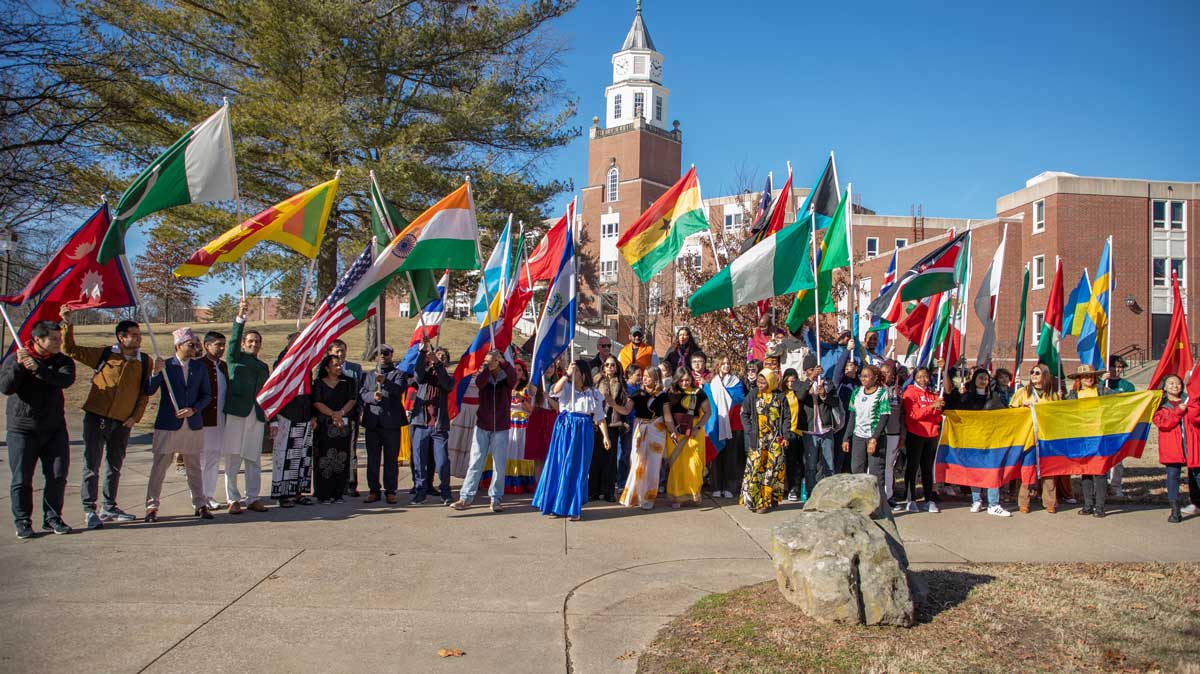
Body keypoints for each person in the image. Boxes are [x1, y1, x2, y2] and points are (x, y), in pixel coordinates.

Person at [59, 307, 150, 529]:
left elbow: (144, 394)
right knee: (92, 465)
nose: (138, 338)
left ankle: (109, 506)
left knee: (114, 465)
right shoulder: (105, 354)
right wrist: (67, 324)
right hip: (96, 417)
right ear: (122, 337)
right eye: (134, 334)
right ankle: (89, 508)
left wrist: (134, 418)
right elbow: (69, 349)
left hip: (123, 421)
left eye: (139, 335)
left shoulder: (144, 361)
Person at [2, 320, 75, 539]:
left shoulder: (62, 361)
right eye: (53, 339)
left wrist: (39, 369)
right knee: (22, 478)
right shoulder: (15, 358)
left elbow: (64, 380)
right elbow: (6, 387)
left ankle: (52, 517)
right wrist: (18, 366)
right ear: (37, 340)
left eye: (59, 338)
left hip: (54, 429)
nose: (58, 342)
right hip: (22, 429)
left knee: (57, 475)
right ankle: (23, 521)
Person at [144, 328, 213, 523]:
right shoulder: (165, 366)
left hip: (192, 423)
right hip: (168, 424)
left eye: (195, 344)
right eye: (191, 345)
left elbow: (206, 395)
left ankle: (200, 504)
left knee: (193, 467)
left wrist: (194, 409)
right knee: (159, 467)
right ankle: (151, 506)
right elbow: (149, 390)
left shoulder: (199, 368)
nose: (194, 348)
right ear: (178, 346)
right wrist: (155, 372)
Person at [533, 359, 609, 520]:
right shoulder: (566, 388)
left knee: (578, 468)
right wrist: (566, 374)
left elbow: (600, 417)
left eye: (576, 371)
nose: (574, 374)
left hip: (583, 430)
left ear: (583, 373)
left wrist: (605, 436)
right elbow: (553, 391)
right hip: (565, 429)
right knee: (560, 465)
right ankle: (555, 506)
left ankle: (574, 508)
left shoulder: (593, 393)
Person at [453, 349, 517, 512]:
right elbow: (480, 383)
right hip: (483, 425)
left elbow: (513, 379)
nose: (492, 362)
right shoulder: (484, 375)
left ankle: (496, 499)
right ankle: (465, 497)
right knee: (475, 462)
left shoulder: (506, 376)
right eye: (490, 360)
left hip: (501, 426)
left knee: (499, 465)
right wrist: (487, 367)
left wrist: (502, 362)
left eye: (495, 360)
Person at [222, 300, 271, 514]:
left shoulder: (262, 367)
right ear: (244, 343)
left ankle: (253, 497)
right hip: (236, 414)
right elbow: (232, 341)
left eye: (257, 342)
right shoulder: (234, 359)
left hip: (256, 416)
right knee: (233, 458)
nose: (254, 345)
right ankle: (233, 499)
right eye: (250, 341)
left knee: (253, 459)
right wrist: (240, 318)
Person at [944, 368, 1010, 516]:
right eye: (980, 378)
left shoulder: (994, 398)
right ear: (974, 380)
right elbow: (952, 403)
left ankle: (993, 503)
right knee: (975, 470)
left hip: (991, 441)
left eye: (986, 378)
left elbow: (1005, 415)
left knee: (992, 470)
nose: (983, 381)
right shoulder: (966, 398)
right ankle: (976, 500)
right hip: (973, 440)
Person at [270, 333, 314, 507]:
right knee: (285, 457)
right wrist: (273, 419)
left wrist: (312, 415)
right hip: (286, 416)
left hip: (304, 416)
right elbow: (273, 393)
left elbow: (309, 393)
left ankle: (298, 492)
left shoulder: (306, 367)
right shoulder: (281, 365)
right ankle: (283, 494)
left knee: (302, 457)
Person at [360, 344, 408, 504]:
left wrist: (385, 381)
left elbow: (399, 389)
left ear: (391, 355)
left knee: (391, 459)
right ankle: (374, 490)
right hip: (373, 422)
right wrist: (372, 396)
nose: (382, 356)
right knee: (373, 459)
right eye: (379, 354)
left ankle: (391, 490)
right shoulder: (368, 375)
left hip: (391, 423)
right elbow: (363, 393)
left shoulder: (398, 374)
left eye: (386, 353)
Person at [1010, 362, 1061, 514]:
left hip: (1047, 437)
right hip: (1028, 437)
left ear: (1045, 375)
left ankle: (1050, 502)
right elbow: (1011, 411)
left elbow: (1058, 415)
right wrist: (1021, 409)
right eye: (1032, 372)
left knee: (1048, 469)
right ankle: (1024, 502)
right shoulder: (1023, 392)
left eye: (1037, 373)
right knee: (1027, 468)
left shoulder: (1052, 395)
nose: (1033, 375)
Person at [795, 352, 847, 499]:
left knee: (829, 464)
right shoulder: (801, 384)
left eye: (815, 369)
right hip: (810, 431)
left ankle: (829, 494)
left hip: (826, 430)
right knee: (811, 465)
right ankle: (811, 494)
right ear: (806, 371)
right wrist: (810, 380)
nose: (814, 372)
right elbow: (800, 396)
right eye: (810, 370)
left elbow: (835, 402)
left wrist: (824, 395)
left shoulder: (828, 384)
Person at [1152, 375, 1200, 523]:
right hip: (1172, 448)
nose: (1175, 386)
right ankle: (1175, 510)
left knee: (1197, 476)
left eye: (1178, 383)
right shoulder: (1160, 404)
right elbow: (1163, 423)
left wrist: (1192, 408)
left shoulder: (1190, 400)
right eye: (1171, 383)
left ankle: (1197, 504)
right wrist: (1178, 411)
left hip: (1192, 445)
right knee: (1173, 477)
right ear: (1164, 387)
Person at [842, 364, 891, 509]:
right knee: (857, 470)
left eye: (866, 376)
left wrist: (874, 439)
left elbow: (884, 417)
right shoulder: (856, 392)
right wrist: (846, 437)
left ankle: (881, 507)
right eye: (861, 376)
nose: (863, 379)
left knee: (876, 475)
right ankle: (860, 505)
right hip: (858, 436)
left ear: (875, 378)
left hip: (875, 437)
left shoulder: (882, 393)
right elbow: (852, 416)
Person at [901, 367, 949, 514]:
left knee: (927, 469)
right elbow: (913, 415)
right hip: (915, 433)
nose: (923, 379)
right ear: (914, 377)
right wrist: (931, 408)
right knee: (913, 467)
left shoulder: (932, 394)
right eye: (920, 376)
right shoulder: (910, 393)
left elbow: (935, 415)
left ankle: (929, 499)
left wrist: (938, 409)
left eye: (926, 376)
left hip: (931, 434)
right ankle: (911, 499)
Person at [741, 368, 789, 513]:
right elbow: (744, 413)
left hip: (775, 439)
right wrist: (749, 430)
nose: (760, 384)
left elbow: (787, 417)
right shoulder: (753, 394)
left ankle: (769, 500)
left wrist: (786, 435)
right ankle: (756, 502)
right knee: (757, 470)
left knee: (772, 470)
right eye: (759, 381)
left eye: (764, 382)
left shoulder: (780, 396)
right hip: (758, 439)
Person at [411, 343, 454, 505]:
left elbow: (446, 383)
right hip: (421, 423)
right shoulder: (425, 376)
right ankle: (420, 491)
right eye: (437, 356)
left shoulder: (448, 378)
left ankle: (445, 491)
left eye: (443, 358)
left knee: (442, 460)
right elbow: (418, 374)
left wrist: (438, 364)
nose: (439, 358)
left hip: (439, 425)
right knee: (419, 460)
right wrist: (423, 353)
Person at [1066, 364, 1111, 517]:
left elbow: (1120, 401)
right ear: (1079, 379)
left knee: (1100, 472)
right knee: (1085, 472)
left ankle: (1100, 507)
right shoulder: (1073, 395)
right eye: (1085, 376)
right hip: (1082, 438)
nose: (1088, 379)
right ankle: (1087, 505)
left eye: (1091, 375)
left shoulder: (1103, 391)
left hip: (1100, 436)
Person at [311, 354, 356, 503]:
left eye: (340, 365)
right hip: (325, 426)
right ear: (327, 368)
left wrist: (340, 413)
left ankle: (338, 493)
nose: (338, 368)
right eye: (335, 365)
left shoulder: (347, 383)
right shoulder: (318, 383)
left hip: (342, 427)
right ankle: (323, 493)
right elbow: (317, 402)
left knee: (341, 459)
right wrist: (332, 414)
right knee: (323, 459)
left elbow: (351, 400)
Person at [666, 367, 711, 508]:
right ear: (676, 380)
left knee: (694, 464)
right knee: (678, 466)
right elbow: (667, 414)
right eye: (682, 380)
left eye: (687, 380)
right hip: (675, 433)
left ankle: (694, 494)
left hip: (694, 433)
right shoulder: (671, 393)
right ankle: (677, 497)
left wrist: (697, 428)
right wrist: (672, 430)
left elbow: (707, 412)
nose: (685, 383)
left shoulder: (699, 393)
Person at [590, 355, 632, 502]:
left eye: (612, 365)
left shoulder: (621, 382)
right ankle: (593, 490)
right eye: (607, 365)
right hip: (597, 422)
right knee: (596, 457)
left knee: (610, 458)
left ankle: (608, 491)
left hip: (613, 423)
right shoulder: (597, 380)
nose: (609, 367)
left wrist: (613, 403)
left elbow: (626, 404)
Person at [197, 331, 228, 511]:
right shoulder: (199, 365)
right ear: (207, 345)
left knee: (214, 458)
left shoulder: (223, 366)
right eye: (218, 344)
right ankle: (199, 496)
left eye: (223, 344)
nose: (221, 348)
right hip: (203, 419)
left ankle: (209, 494)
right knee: (201, 459)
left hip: (220, 419)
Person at [328, 339, 363, 497]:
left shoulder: (355, 369)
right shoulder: (324, 370)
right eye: (336, 351)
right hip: (329, 416)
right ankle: (333, 483)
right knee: (331, 450)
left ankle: (351, 483)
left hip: (351, 415)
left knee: (350, 450)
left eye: (342, 350)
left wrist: (358, 410)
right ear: (330, 353)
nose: (340, 354)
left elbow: (359, 392)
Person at [708, 357, 747, 500]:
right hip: (717, 423)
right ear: (717, 365)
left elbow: (740, 399)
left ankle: (729, 487)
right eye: (722, 363)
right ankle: (716, 487)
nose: (725, 366)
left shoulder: (736, 382)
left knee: (731, 456)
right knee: (717, 455)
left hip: (733, 424)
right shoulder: (712, 383)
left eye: (728, 363)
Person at [1104, 355, 1135, 497]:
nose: (1117, 370)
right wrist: (1101, 383)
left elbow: (1129, 404)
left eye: (1120, 367)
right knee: (1101, 457)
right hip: (1102, 425)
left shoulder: (1128, 386)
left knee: (1117, 459)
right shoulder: (1103, 383)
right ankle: (1101, 485)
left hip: (1119, 425)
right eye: (1114, 366)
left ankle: (1115, 486)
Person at [505, 359, 537, 494]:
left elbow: (531, 409)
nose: (516, 373)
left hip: (522, 424)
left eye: (519, 370)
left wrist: (520, 397)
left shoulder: (527, 389)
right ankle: (508, 482)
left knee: (520, 453)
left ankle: (523, 481)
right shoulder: (505, 387)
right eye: (514, 370)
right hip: (507, 423)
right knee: (508, 452)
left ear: (524, 374)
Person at [878, 360, 905, 508]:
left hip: (894, 433)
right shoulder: (874, 390)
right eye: (883, 372)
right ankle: (876, 496)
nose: (886, 375)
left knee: (889, 466)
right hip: (879, 434)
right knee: (876, 466)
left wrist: (902, 435)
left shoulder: (898, 391)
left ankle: (889, 496)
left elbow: (902, 415)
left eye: (889, 372)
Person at [616, 363, 642, 494]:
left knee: (634, 453)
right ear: (629, 375)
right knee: (624, 453)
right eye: (638, 375)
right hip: (626, 424)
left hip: (637, 423)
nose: (640, 377)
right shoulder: (624, 388)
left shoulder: (640, 388)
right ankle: (621, 482)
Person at [782, 368, 805, 502]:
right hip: (788, 431)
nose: (790, 383)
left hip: (800, 431)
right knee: (789, 462)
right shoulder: (782, 394)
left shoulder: (799, 393)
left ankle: (798, 489)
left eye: (793, 381)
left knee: (800, 462)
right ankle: (790, 488)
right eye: (788, 381)